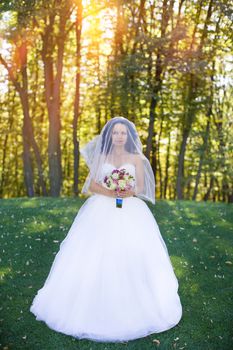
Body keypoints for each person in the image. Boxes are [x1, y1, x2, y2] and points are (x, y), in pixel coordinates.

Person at [30, 116, 182, 343]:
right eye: (115, 133)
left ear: (128, 136)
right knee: (94, 254)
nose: (119, 136)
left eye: (123, 133)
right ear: (109, 136)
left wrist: (126, 191)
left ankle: (135, 303)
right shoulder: (102, 156)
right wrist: (111, 191)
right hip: (101, 208)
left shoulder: (136, 158)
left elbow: (140, 186)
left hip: (130, 209)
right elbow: (91, 184)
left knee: (132, 253)